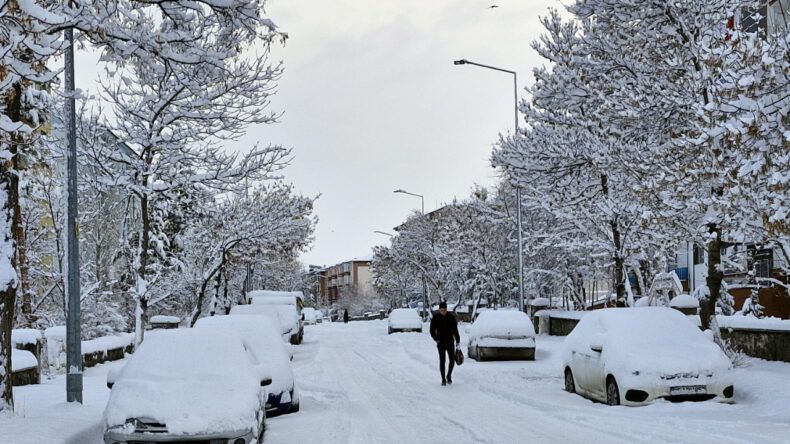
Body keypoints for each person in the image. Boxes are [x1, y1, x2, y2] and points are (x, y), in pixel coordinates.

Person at [429, 301, 460, 386]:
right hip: (441, 342)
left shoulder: (451, 317)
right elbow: (431, 330)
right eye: (441, 310)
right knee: (442, 360)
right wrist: (436, 339)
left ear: (446, 309)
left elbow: (455, 330)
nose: (443, 311)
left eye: (444, 310)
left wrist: (457, 340)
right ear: (439, 310)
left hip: (450, 341)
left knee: (452, 360)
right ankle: (443, 378)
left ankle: (449, 375)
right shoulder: (435, 318)